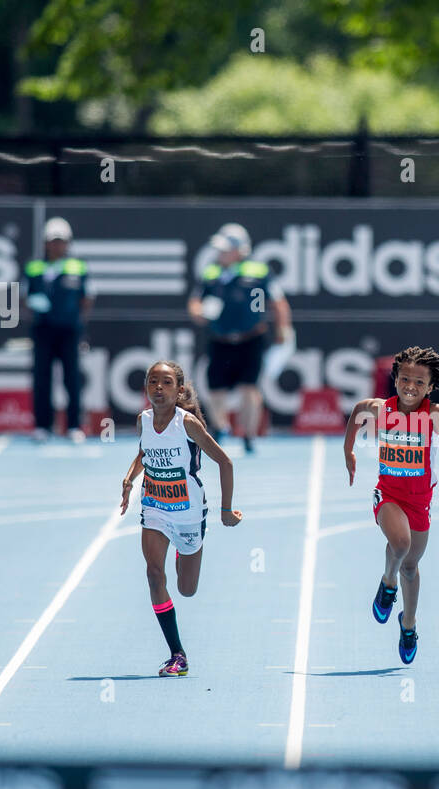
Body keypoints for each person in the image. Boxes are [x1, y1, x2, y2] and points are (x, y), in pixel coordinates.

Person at [120, 360, 242, 677]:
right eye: (152, 382)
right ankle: (177, 654)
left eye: (166, 383)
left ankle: (183, 548)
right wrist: (131, 478)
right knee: (153, 575)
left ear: (179, 390)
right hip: (155, 507)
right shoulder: (142, 420)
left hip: (189, 511)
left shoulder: (187, 424)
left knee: (187, 589)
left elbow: (225, 463)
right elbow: (145, 453)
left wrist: (226, 510)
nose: (158, 388)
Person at [343, 346, 439, 664]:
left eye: (419, 382)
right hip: (389, 495)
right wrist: (348, 451)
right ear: (395, 379)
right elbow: (356, 412)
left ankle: (408, 624)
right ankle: (387, 584)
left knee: (411, 565)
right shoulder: (381, 408)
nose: (411, 386)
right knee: (400, 543)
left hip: (420, 501)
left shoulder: (433, 414)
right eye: (405, 378)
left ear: (430, 387)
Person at [187, 223, 292, 453]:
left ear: (240, 250)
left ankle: (249, 434)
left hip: (251, 338)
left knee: (249, 387)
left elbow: (278, 302)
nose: (220, 253)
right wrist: (198, 312)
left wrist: (283, 329)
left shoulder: (258, 271)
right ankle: (221, 427)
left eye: (226, 249)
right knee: (216, 386)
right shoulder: (211, 272)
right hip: (220, 338)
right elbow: (195, 301)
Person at [23, 217, 93, 442]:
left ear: (68, 243)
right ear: (45, 242)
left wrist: (75, 319)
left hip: (69, 331)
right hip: (42, 330)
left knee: (72, 378)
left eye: (61, 241)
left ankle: (73, 426)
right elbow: (24, 296)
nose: (57, 245)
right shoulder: (34, 267)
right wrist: (34, 304)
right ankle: (43, 426)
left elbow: (87, 298)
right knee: (42, 377)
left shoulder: (78, 267)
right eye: (53, 241)